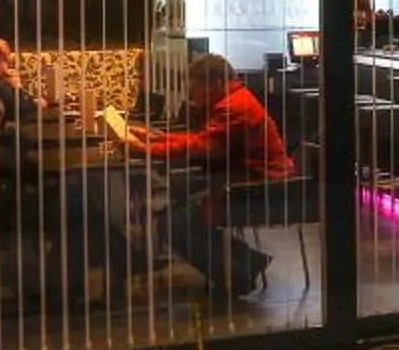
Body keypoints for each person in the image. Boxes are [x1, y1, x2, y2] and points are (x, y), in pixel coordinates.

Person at [126, 53, 296, 302]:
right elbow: (202, 140)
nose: (192, 97)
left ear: (215, 84)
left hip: (260, 190)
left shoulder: (232, 108)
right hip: (252, 183)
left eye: (195, 89)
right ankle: (247, 262)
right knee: (181, 211)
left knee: (174, 224)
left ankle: (237, 277)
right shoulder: (235, 100)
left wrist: (146, 149)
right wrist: (155, 138)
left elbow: (201, 146)